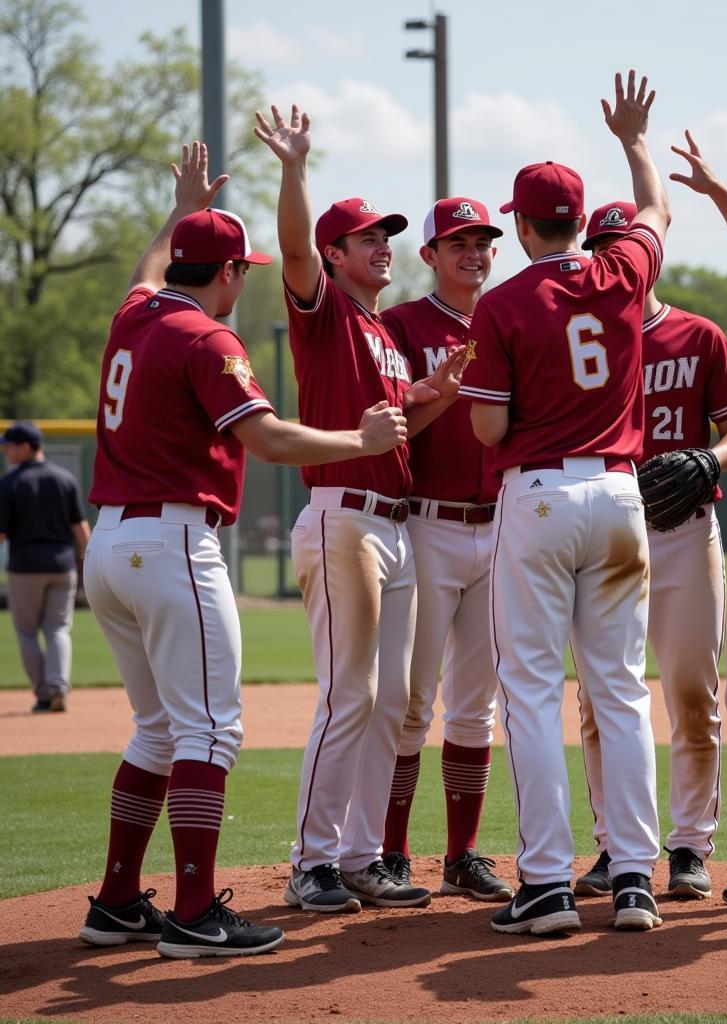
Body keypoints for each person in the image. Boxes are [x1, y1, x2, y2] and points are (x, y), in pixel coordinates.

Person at [79, 142, 409, 959]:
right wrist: (357, 436)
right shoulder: (206, 340)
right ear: (226, 272)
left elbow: (150, 267)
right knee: (210, 731)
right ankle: (195, 914)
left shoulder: (138, 315)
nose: (246, 278)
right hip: (171, 544)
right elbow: (266, 439)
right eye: (241, 268)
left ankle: (118, 900)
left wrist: (180, 208)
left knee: (156, 729)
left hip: (113, 547)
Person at [461, 70, 670, 936]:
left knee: (533, 693)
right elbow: (655, 212)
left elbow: (486, 426)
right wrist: (633, 142)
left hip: (539, 496)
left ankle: (546, 884)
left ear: (518, 224)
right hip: (621, 496)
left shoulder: (504, 301)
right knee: (618, 693)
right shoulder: (622, 272)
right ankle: (633, 879)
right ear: (583, 222)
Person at [255, 104, 468, 915]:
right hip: (343, 516)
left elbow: (394, 426)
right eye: (367, 238)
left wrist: (436, 399)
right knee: (350, 695)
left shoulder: (380, 330)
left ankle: (359, 856)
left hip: (394, 525)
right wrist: (294, 169)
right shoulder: (327, 310)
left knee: (390, 703)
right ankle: (310, 861)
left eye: (387, 236)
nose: (383, 246)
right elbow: (299, 250)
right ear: (336, 255)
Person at [571, 200, 727, 903]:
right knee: (599, 702)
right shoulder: (583, 339)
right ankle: (616, 847)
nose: (616, 256)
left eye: (625, 243)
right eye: (602, 246)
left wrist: (713, 460)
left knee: (692, 695)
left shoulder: (698, 336)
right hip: (607, 537)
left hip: (684, 536)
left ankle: (689, 845)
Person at [379, 198, 514, 902]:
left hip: (501, 525)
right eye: (458, 241)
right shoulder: (400, 325)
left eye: (484, 240)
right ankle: (391, 851)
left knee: (475, 706)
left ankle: (462, 854)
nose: (475, 251)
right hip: (425, 525)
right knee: (409, 701)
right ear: (428, 255)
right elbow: (389, 422)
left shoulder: (511, 319)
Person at [0, 421, 90, 713]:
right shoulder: (65, 478)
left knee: (26, 632)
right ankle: (59, 687)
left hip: (25, 567)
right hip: (63, 566)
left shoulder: (10, 483)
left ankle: (43, 694)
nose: (6, 450)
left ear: (25, 446)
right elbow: (80, 528)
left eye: (9, 445)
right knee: (58, 629)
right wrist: (87, 563)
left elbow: (2, 533)